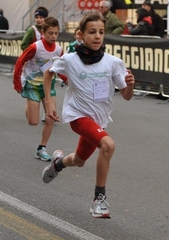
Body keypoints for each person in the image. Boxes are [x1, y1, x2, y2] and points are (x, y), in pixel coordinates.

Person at [41, 12, 135, 218]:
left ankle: (57, 164)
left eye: (101, 32)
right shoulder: (70, 60)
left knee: (79, 160)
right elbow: (47, 74)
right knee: (108, 145)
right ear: (80, 35)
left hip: (98, 119)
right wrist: (49, 104)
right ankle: (98, 200)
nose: (97, 36)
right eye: (92, 32)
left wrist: (130, 86)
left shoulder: (113, 62)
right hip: (78, 115)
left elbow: (126, 96)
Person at [13, 17, 63, 161]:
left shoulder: (58, 49)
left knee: (51, 117)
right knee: (33, 121)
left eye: (56, 33)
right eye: (50, 33)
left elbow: (62, 67)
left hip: (49, 86)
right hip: (33, 85)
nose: (53, 36)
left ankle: (42, 148)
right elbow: (20, 62)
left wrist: (68, 80)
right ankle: (29, 105)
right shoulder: (35, 47)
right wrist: (17, 82)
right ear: (43, 32)